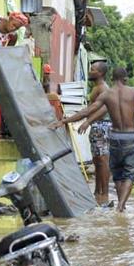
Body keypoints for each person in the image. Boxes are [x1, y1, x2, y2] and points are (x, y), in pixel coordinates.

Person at [51, 67, 134, 213]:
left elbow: (87, 111)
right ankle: (120, 206)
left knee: (118, 173)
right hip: (130, 136)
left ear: (111, 78)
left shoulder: (107, 94)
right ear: (125, 79)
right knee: (130, 172)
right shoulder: (133, 92)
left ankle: (121, 205)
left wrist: (64, 121)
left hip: (115, 137)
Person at [51, 62, 112, 205]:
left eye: (93, 70)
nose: (90, 72)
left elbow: (103, 109)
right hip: (98, 126)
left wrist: (83, 121)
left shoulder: (103, 88)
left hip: (102, 126)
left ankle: (104, 195)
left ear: (101, 73)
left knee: (102, 160)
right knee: (97, 160)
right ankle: (98, 193)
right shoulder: (97, 87)